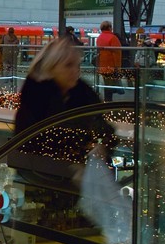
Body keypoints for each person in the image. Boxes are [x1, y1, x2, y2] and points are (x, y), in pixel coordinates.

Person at [13, 38, 115, 183]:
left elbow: (104, 128)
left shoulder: (82, 94)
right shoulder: (36, 99)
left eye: (77, 65)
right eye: (68, 65)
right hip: (40, 180)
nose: (76, 71)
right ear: (51, 68)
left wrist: (102, 146)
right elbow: (34, 144)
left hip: (74, 180)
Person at [96, 21, 123, 102]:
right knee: (110, 85)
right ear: (110, 27)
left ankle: (107, 100)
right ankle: (108, 102)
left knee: (107, 83)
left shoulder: (99, 37)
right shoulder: (113, 38)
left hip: (102, 65)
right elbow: (117, 53)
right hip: (111, 65)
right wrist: (118, 67)